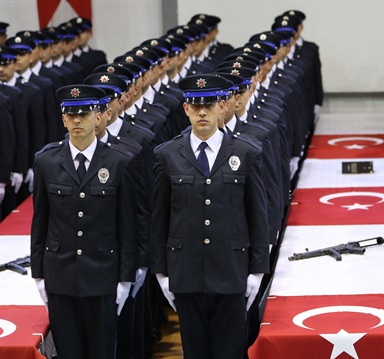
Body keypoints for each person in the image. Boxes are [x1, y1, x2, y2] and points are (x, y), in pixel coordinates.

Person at [151, 74, 269, 358]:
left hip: (231, 270)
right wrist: (161, 273)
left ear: (223, 107)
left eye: (210, 104)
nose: (202, 112)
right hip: (186, 272)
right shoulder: (167, 155)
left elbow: (257, 215)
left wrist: (256, 271)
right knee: (195, 351)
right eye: (195, 105)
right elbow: (159, 219)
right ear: (186, 109)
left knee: (230, 350)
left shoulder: (245, 152)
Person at [30, 84, 138, 359]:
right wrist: (39, 275)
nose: (77, 120)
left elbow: (127, 227)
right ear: (63, 119)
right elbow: (40, 223)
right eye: (71, 114)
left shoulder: (118, 162)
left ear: (98, 117)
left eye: (84, 113)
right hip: (60, 277)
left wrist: (124, 281)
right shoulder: (46, 161)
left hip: (102, 277)